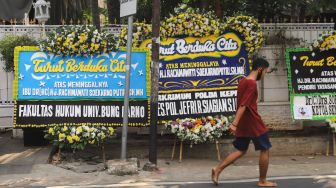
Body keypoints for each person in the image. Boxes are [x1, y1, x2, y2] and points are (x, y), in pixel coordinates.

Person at [211, 58, 277, 187]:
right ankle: (262, 180)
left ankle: (217, 169)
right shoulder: (252, 84)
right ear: (260, 69)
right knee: (265, 148)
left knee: (241, 149)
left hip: (244, 121)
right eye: (264, 72)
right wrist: (234, 123)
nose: (264, 75)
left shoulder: (242, 81)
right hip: (252, 121)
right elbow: (243, 105)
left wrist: (238, 122)